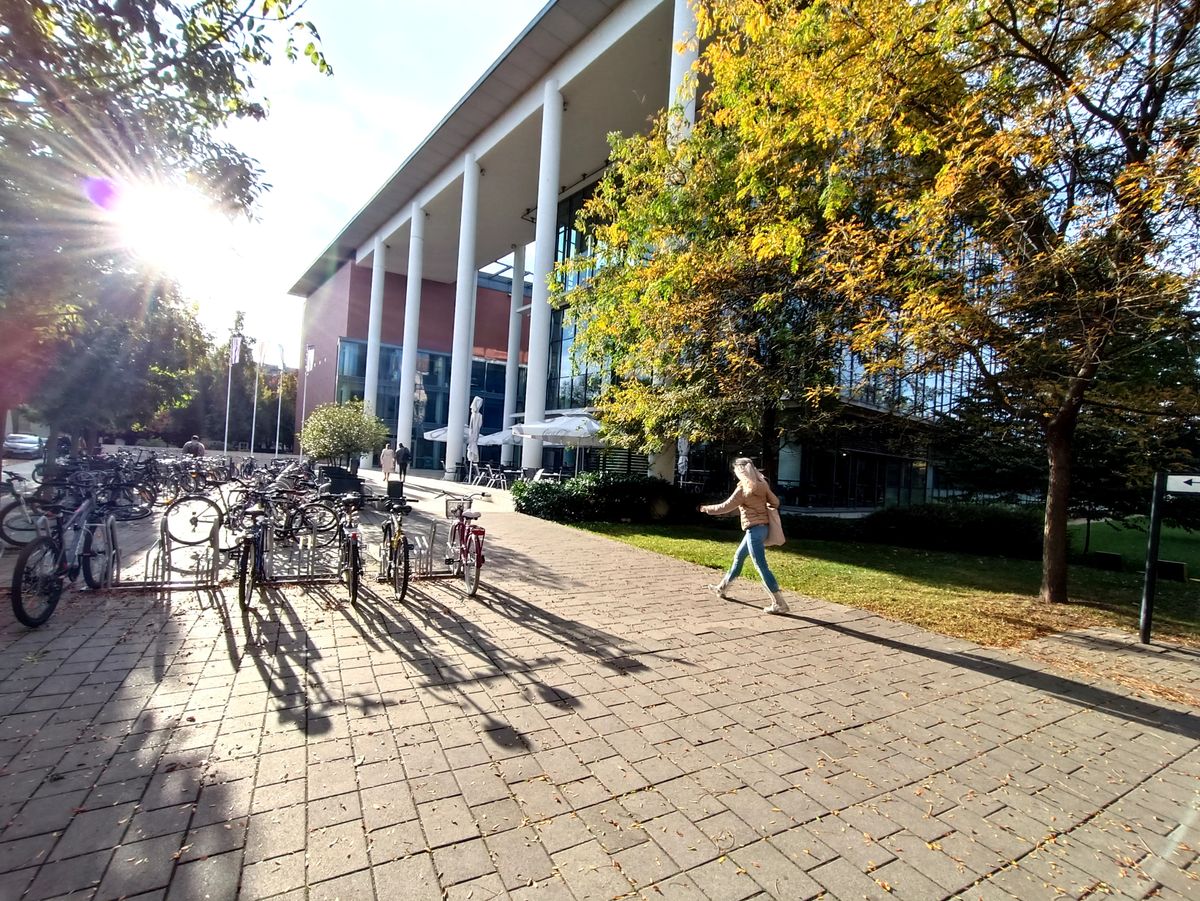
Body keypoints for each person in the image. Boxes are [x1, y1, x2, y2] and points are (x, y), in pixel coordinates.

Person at [700, 457, 789, 614]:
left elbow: (725, 507)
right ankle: (721, 588)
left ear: (740, 471)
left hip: (754, 531)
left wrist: (707, 509)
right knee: (739, 557)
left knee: (761, 566)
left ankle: (779, 603)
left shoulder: (743, 489)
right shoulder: (763, 485)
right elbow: (775, 502)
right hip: (762, 529)